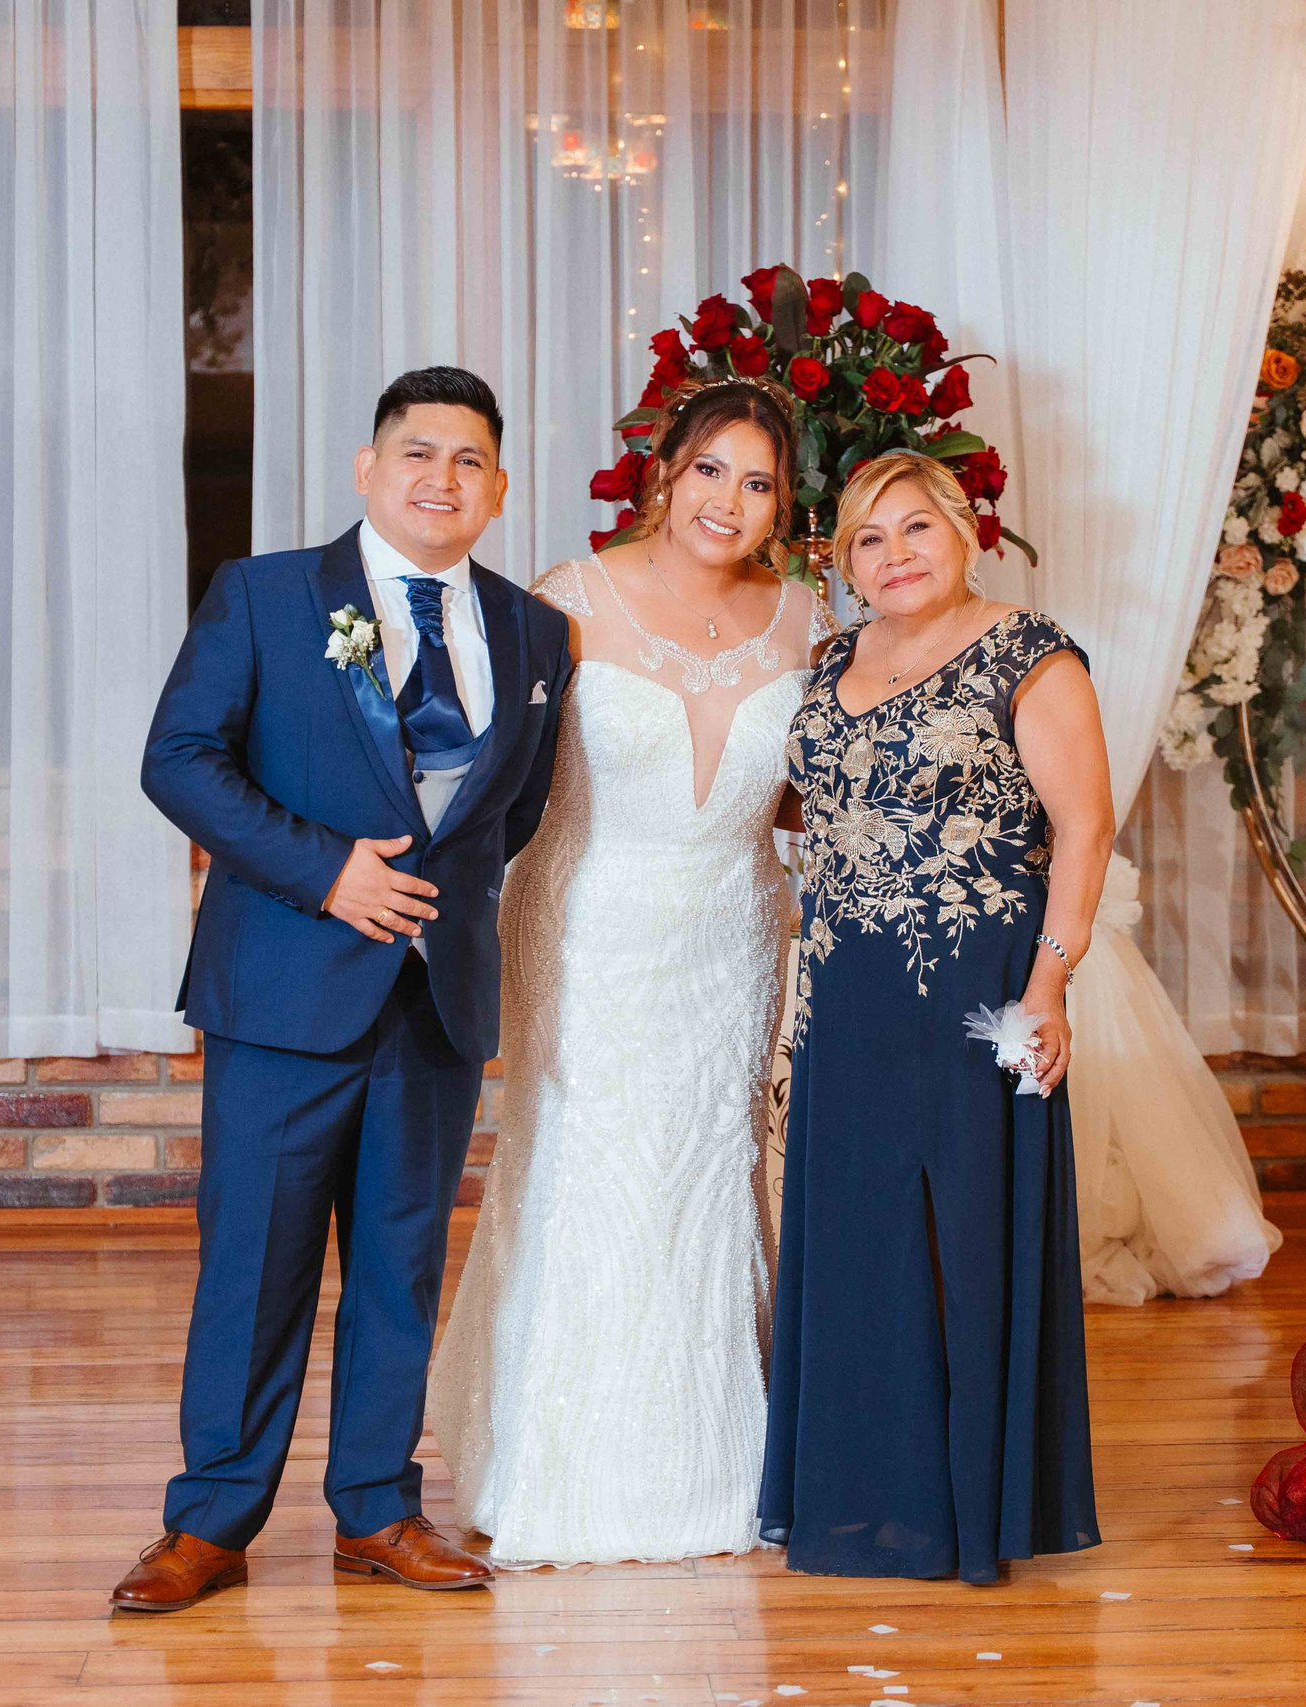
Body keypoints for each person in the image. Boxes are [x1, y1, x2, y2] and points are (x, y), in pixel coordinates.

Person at [113, 367, 572, 1610]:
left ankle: (376, 1508)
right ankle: (210, 1519)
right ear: (368, 470)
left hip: (433, 998)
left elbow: (510, 810)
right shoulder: (266, 596)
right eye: (417, 453)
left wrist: (434, 911)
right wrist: (328, 877)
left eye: (469, 460)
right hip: (284, 990)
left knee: (399, 1264)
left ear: (499, 487)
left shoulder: (537, 633)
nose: (442, 479)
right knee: (255, 1264)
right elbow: (179, 761)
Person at [426, 378, 831, 1566]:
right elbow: (486, 771)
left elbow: (820, 789)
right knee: (584, 1169)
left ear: (780, 506)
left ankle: (718, 1463)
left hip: (736, 933)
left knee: (705, 1171)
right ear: (666, 470)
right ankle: (547, 1464)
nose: (729, 501)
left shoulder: (808, 619)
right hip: (587, 930)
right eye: (711, 470)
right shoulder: (566, 599)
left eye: (757, 484)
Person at [760, 448, 1106, 1584]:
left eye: (915, 528)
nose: (894, 555)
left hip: (976, 989)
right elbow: (803, 805)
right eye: (868, 539)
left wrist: (1046, 990)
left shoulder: (1028, 651)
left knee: (964, 1231)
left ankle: (969, 1508)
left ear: (965, 533)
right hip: (846, 988)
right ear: (845, 563)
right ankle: (864, 1497)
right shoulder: (831, 659)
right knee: (856, 1238)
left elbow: (1085, 831)